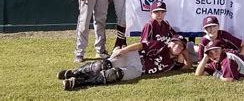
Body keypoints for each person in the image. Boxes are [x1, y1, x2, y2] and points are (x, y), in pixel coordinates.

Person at [57, 35, 192, 90]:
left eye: (181, 47)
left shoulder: (172, 64)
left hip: (139, 71)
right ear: (170, 43)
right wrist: (125, 50)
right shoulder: (160, 45)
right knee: (104, 65)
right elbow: (140, 46)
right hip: (134, 56)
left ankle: (78, 82)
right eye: (176, 44)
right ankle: (73, 72)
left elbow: (188, 66)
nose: (177, 47)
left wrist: (184, 53)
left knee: (113, 75)